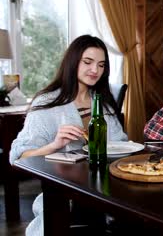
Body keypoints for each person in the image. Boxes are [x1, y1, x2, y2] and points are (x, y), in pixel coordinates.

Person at [9, 34, 127, 236]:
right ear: (73, 62)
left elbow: (122, 145)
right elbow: (19, 157)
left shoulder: (103, 102)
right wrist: (55, 144)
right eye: (88, 62)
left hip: (107, 190)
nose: (95, 70)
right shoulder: (47, 104)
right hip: (66, 195)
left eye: (101, 65)